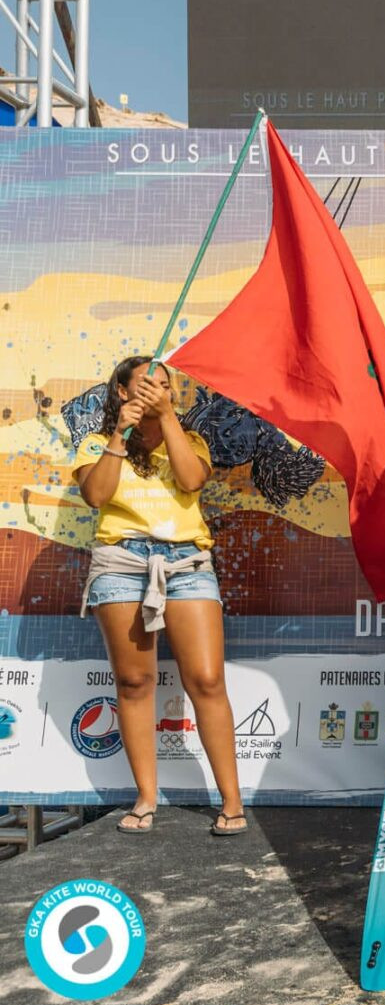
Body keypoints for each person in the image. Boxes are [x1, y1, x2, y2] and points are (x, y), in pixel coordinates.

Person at [73, 356, 246, 837]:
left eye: (165, 386)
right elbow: (97, 496)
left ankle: (232, 802)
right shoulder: (94, 441)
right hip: (121, 564)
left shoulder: (189, 439)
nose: (158, 391)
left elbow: (192, 482)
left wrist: (167, 416)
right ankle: (146, 797)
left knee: (207, 679)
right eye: (148, 385)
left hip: (187, 563)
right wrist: (118, 437)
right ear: (122, 393)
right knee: (133, 682)